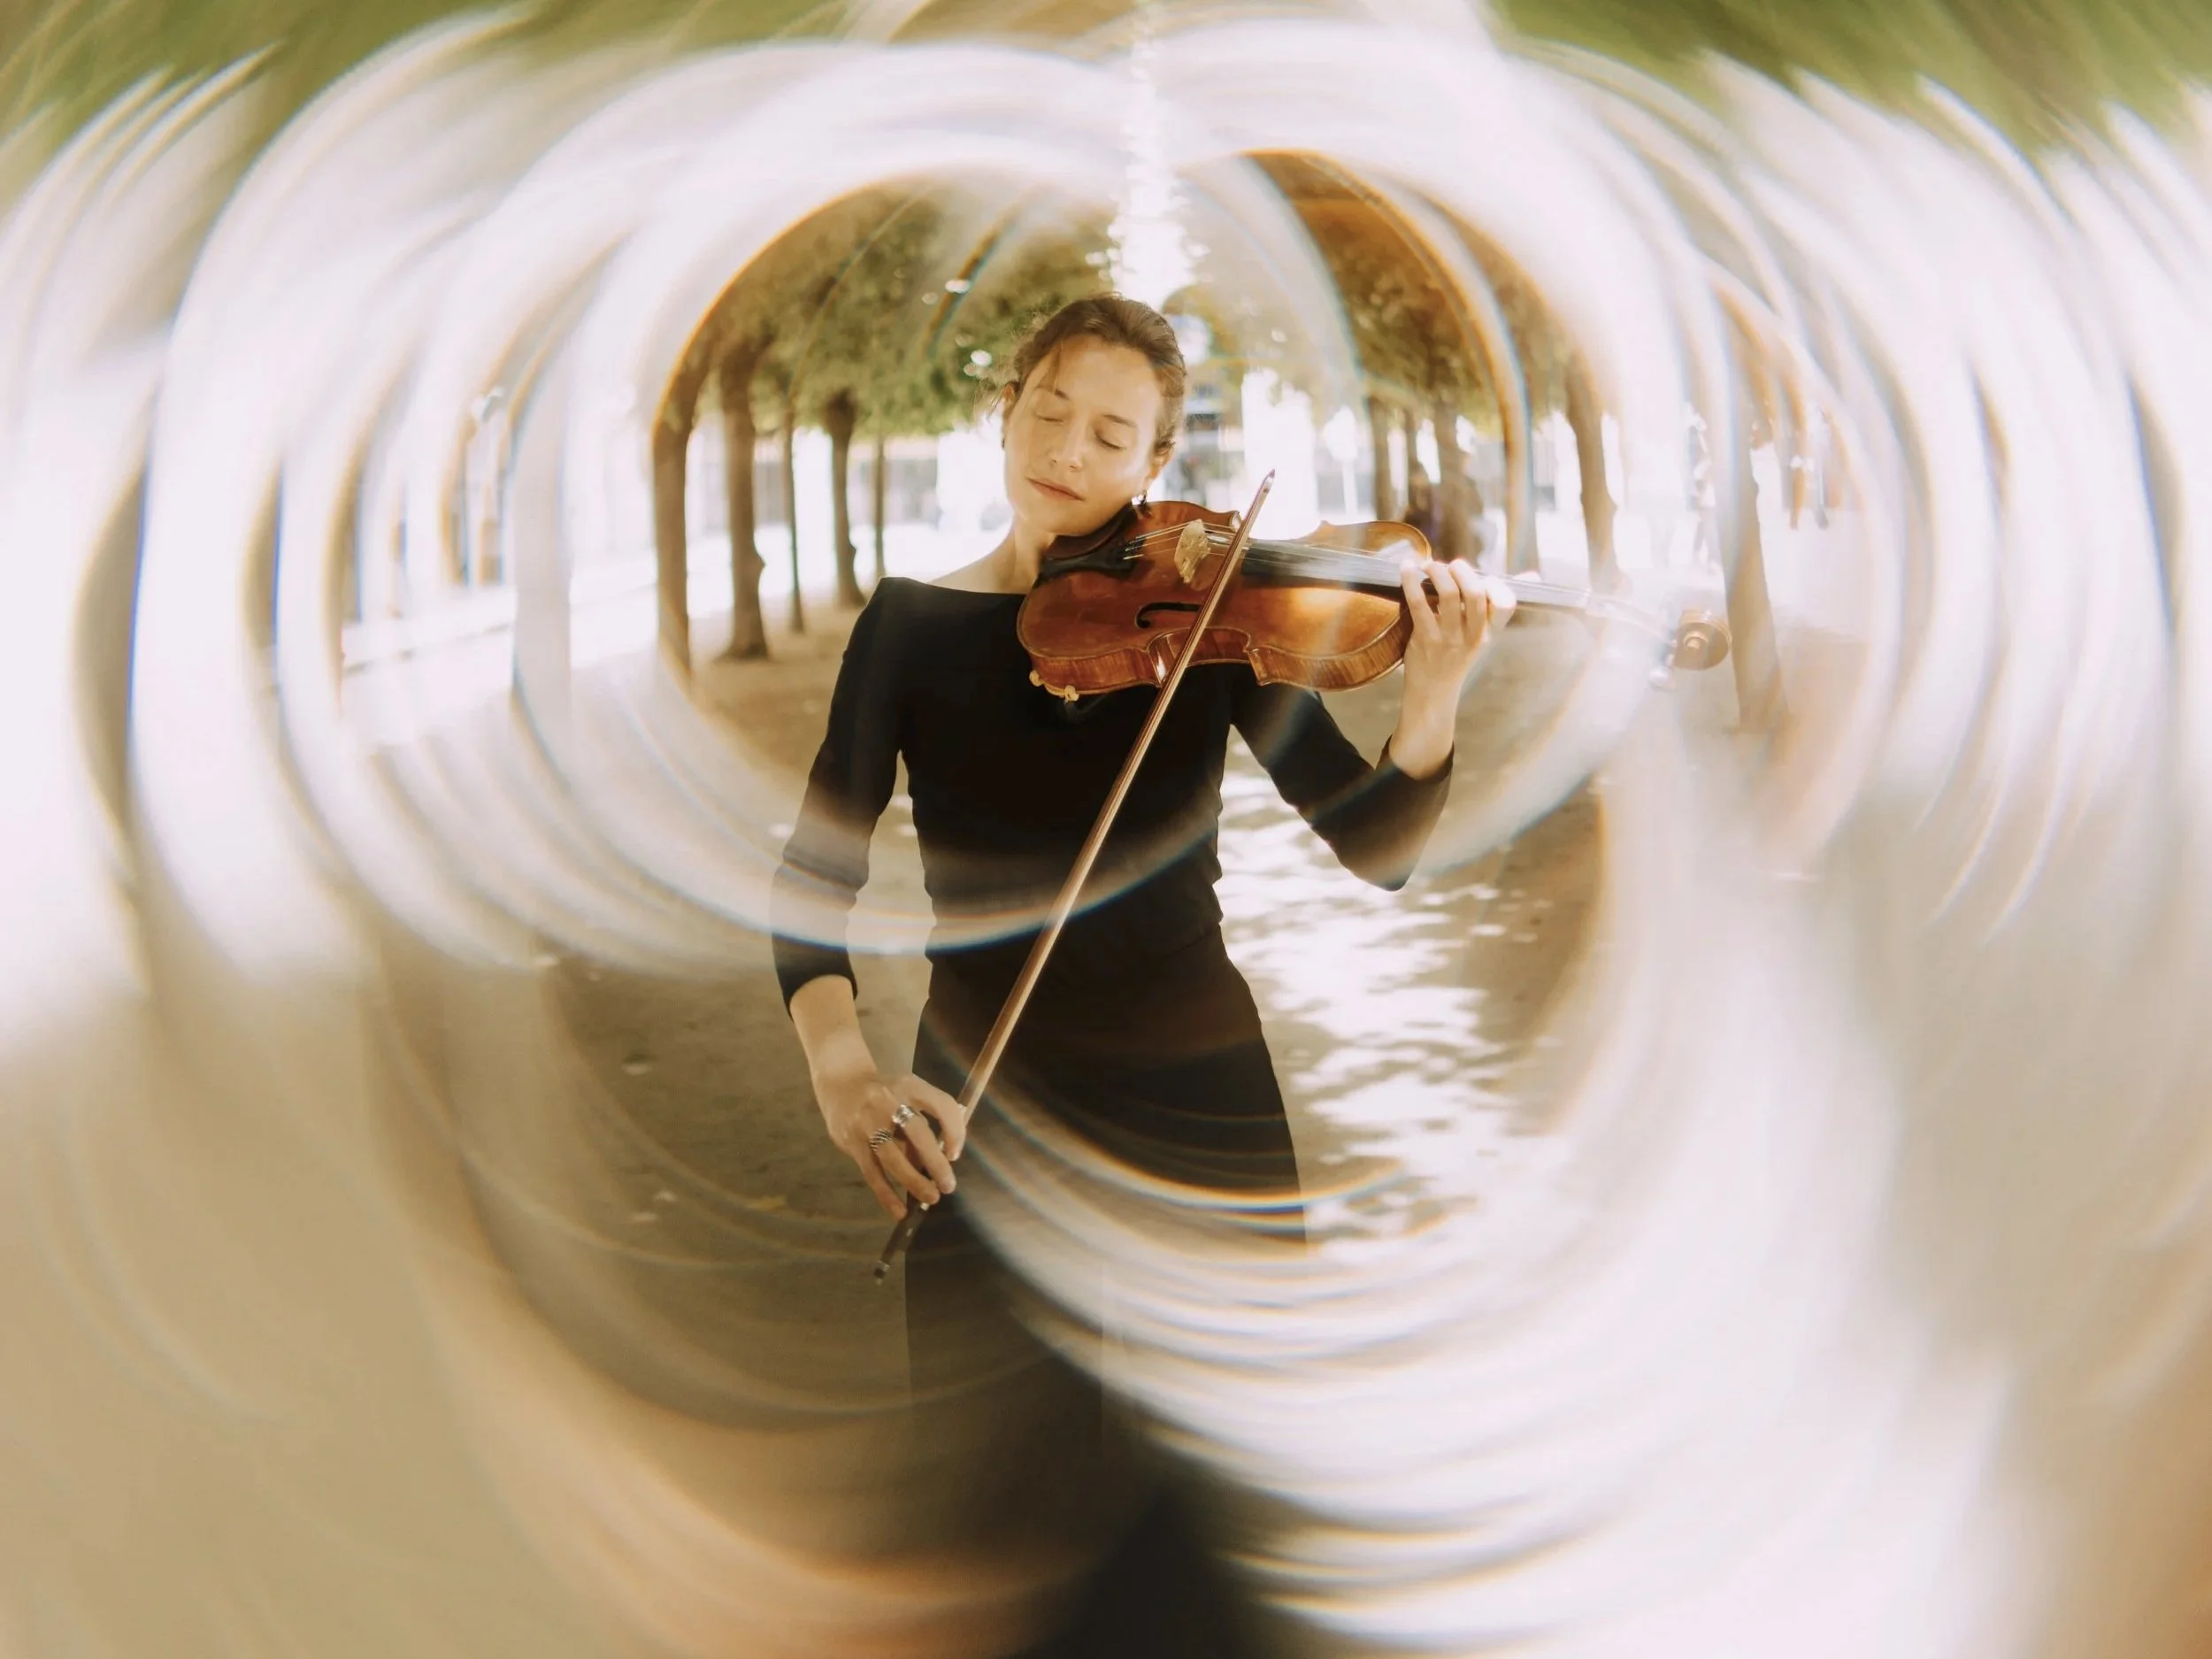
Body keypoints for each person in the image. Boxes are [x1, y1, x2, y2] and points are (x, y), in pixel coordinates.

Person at [770, 295, 1509, 1655]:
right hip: (983, 1097)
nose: (1068, 447)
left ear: (1155, 465)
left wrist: (1434, 695)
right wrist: (844, 1072)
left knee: (1226, 1491)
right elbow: (814, 885)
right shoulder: (910, 627)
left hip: (1199, 1093)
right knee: (1001, 1508)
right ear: (1005, 412)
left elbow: (1375, 846)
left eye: (1112, 434)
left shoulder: (1210, 615)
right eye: (1049, 409)